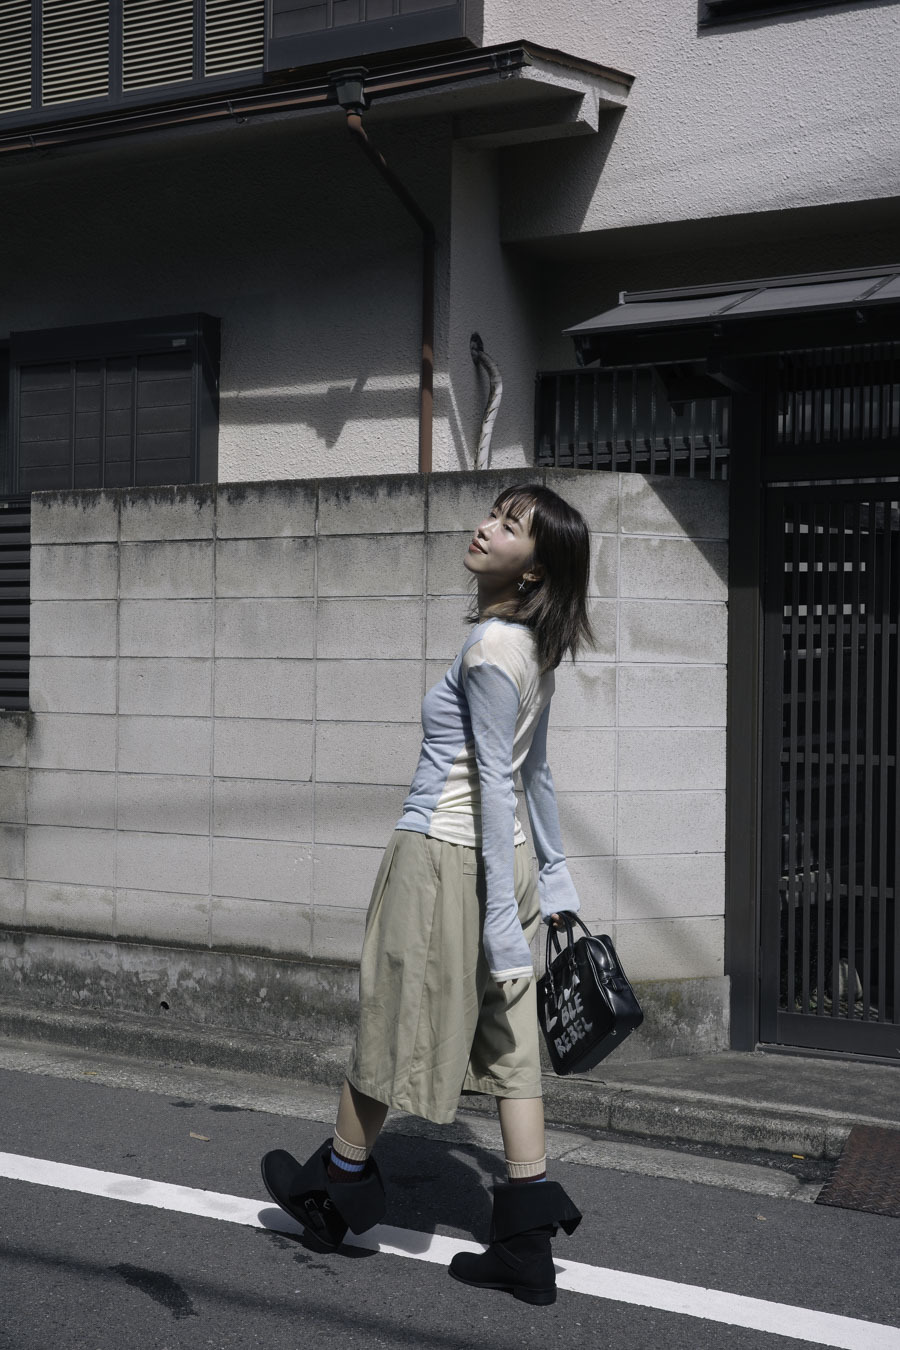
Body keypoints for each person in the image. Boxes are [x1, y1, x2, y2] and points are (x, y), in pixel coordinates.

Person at [261, 482, 593, 1306]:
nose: (486, 529)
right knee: (512, 1046)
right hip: (504, 862)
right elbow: (536, 774)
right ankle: (524, 1243)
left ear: (535, 571)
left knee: (392, 1016)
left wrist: (503, 925)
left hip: (445, 860)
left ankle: (337, 1189)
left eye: (509, 527)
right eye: (494, 515)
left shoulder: (490, 650)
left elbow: (497, 781)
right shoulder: (532, 647)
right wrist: (552, 879)